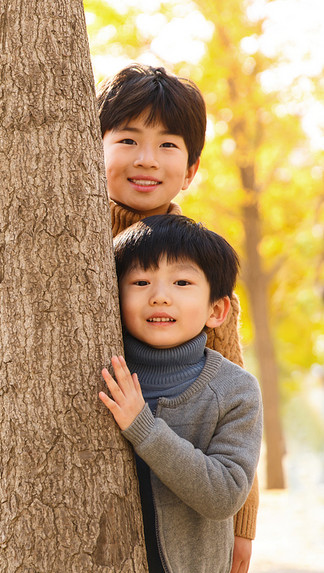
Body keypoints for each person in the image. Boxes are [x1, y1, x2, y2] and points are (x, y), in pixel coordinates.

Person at [96, 63, 258, 572]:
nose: (147, 160)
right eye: (128, 140)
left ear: (190, 169)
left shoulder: (202, 267)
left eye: (168, 145)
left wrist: (243, 531)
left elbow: (231, 396)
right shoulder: (68, 242)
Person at [99, 214, 263, 572]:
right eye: (141, 281)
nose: (160, 297)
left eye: (182, 282)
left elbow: (225, 494)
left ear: (216, 310)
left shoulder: (234, 389)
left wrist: (142, 426)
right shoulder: (101, 373)